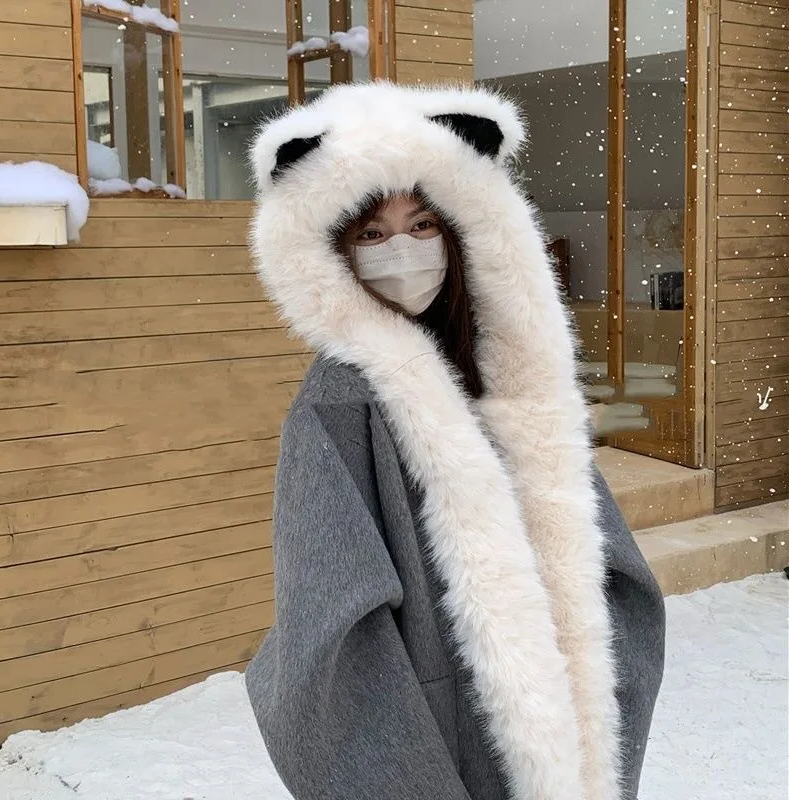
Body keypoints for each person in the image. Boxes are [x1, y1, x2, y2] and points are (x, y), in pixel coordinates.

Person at [245, 83, 665, 800]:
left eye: (421, 225)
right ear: (334, 254)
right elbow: (333, 637)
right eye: (371, 234)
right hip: (445, 755)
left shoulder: (512, 380)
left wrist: (599, 700)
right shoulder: (342, 404)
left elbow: (608, 569)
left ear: (464, 228)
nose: (400, 251)